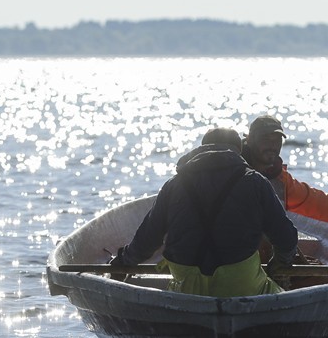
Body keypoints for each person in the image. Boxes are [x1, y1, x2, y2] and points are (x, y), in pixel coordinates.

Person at [109, 127, 298, 297]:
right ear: (238, 150)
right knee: (279, 294)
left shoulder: (174, 184)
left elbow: (147, 239)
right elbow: (286, 238)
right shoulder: (256, 182)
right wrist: (279, 264)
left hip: (186, 283)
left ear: (202, 148)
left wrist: (123, 261)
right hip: (240, 281)